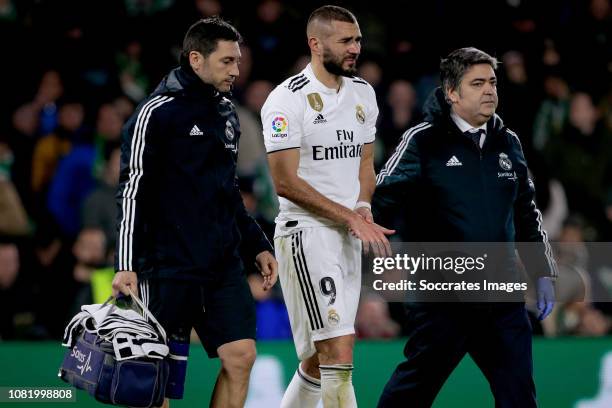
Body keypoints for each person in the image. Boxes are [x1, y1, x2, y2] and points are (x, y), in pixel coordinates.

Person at [372, 47, 557, 407]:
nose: (490, 90)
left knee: (519, 395)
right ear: (452, 93)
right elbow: (379, 204)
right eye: (477, 83)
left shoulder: (509, 142)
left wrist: (542, 271)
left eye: (492, 82)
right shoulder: (422, 141)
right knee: (413, 391)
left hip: (501, 295)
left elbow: (526, 214)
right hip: (443, 295)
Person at [111, 17, 277, 408]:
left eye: (237, 61)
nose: (236, 71)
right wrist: (125, 263)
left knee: (241, 356)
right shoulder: (155, 113)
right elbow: (132, 190)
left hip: (221, 264)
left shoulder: (227, 113)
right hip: (167, 264)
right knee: (157, 378)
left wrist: (257, 244)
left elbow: (228, 192)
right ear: (196, 59)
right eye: (227, 62)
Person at [261, 5, 394, 408]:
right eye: (345, 41)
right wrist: (350, 216)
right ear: (315, 44)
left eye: (357, 39)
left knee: (321, 362)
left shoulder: (363, 94)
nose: (355, 48)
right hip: (306, 234)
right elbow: (285, 182)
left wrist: (363, 204)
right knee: (339, 353)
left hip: (347, 234)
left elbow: (365, 164)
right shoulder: (286, 100)